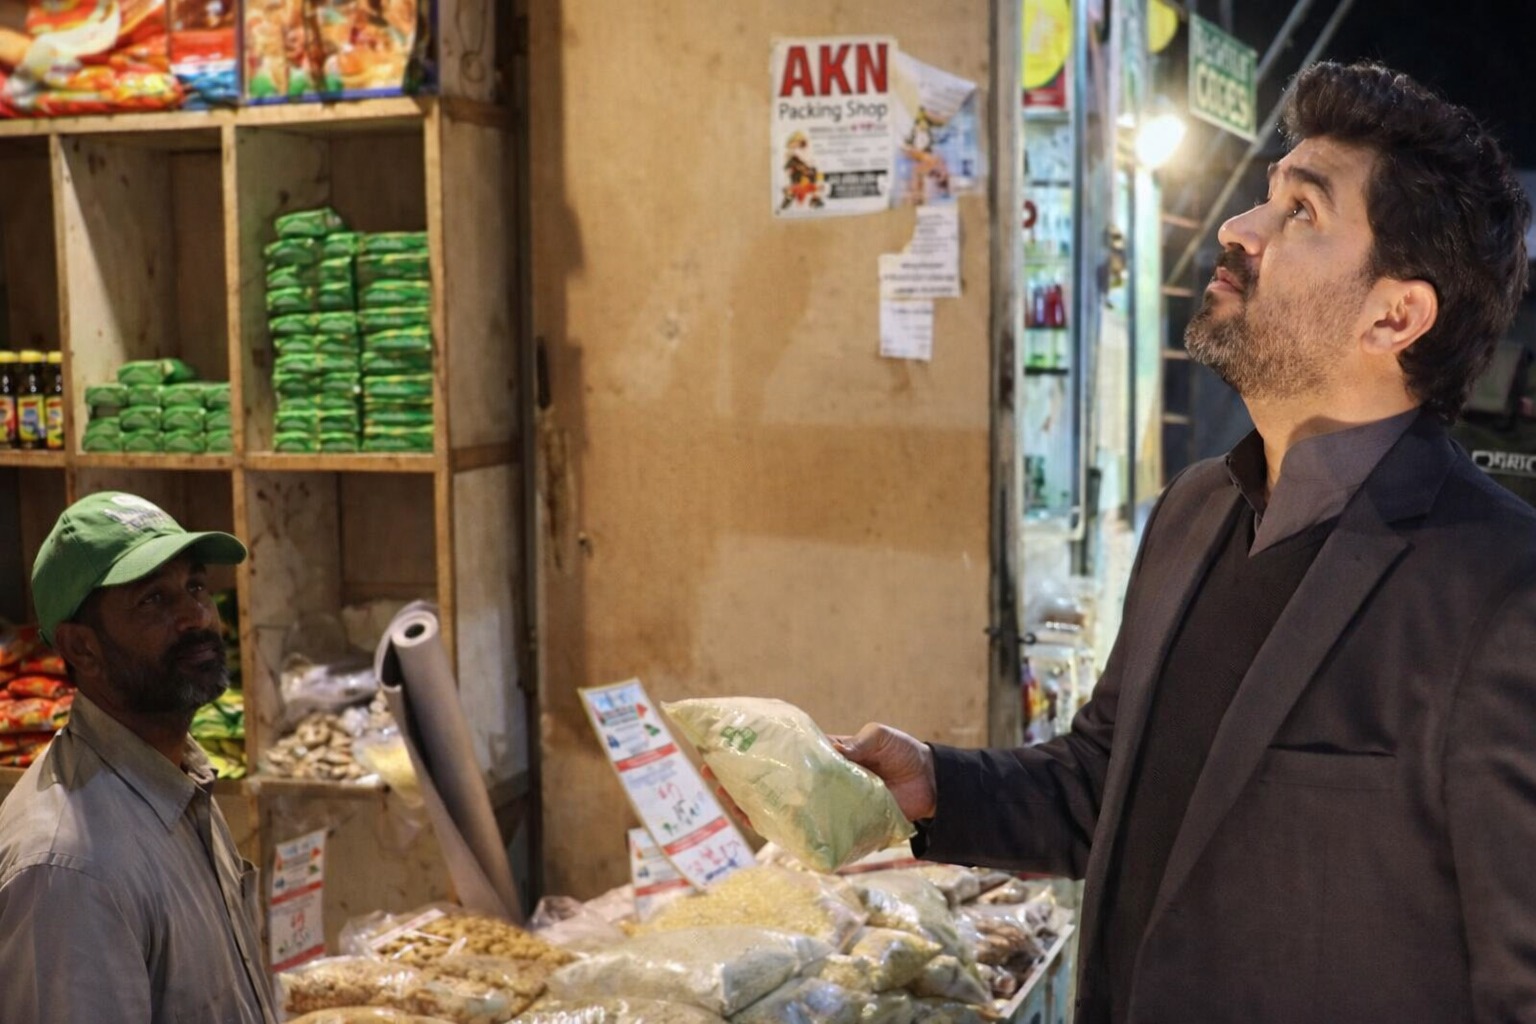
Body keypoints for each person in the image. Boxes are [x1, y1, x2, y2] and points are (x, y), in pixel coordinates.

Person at [838, 61, 1536, 1023]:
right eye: (1265, 197)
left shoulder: (1501, 593)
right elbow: (1101, 783)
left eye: (1302, 211)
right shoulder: (1198, 510)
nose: (1238, 230)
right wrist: (931, 784)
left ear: (1395, 315)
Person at [0, 491, 277, 1023]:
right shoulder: (69, 869)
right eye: (153, 600)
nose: (196, 617)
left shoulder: (177, 778)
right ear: (82, 648)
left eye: (195, 586)